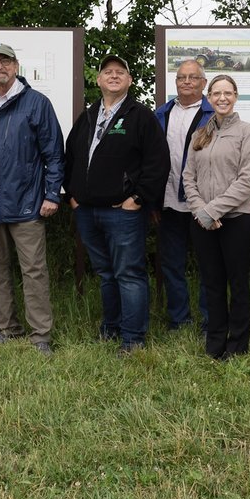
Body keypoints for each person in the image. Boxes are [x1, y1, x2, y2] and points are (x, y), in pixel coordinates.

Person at [64, 54, 170, 355]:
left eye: (120, 72)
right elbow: (69, 157)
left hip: (122, 213)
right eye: (107, 72)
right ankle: (110, 328)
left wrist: (137, 199)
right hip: (86, 212)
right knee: (106, 274)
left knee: (129, 274)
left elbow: (158, 163)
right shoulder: (87, 116)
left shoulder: (141, 116)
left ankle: (133, 338)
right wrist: (71, 196)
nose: (113, 76)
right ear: (98, 80)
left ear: (129, 81)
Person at [0, 43, 64, 355]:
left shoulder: (36, 103)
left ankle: (40, 336)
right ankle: (6, 328)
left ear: (16, 66)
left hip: (28, 205)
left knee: (33, 271)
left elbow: (54, 154)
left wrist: (52, 194)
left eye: (5, 62)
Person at [182, 75, 250, 359]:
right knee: (211, 283)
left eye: (228, 93)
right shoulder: (200, 134)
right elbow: (187, 177)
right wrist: (200, 210)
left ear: (236, 96)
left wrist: (212, 210)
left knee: (237, 283)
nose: (222, 98)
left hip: (236, 220)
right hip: (202, 221)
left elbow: (246, 181)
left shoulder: (248, 132)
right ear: (209, 97)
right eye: (216, 93)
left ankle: (237, 345)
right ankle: (215, 343)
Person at [154, 58, 213, 331]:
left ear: (203, 83)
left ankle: (209, 321)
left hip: (203, 202)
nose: (186, 82)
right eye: (181, 77)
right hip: (168, 203)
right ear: (175, 82)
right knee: (172, 264)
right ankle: (178, 319)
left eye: (193, 77)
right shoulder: (161, 114)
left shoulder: (213, 115)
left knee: (208, 265)